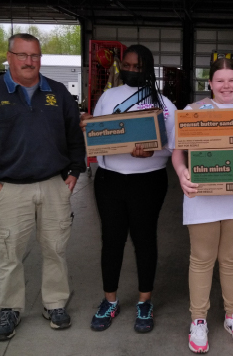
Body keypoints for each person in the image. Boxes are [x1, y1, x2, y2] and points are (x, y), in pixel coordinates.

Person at [0, 33, 86, 340]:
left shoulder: (57, 93)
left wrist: (75, 172)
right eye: (22, 55)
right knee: (9, 252)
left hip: (53, 185)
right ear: (9, 57)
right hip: (8, 188)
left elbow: (75, 136)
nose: (29, 62)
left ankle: (55, 303)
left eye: (34, 56)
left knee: (55, 248)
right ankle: (10, 308)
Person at [174, 58, 233, 353]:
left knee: (231, 258)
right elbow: (178, 152)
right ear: (210, 84)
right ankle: (199, 320)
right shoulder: (192, 112)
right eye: (220, 80)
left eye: (232, 80)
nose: (226, 86)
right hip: (201, 196)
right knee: (202, 258)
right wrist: (181, 174)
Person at [84, 44, 177, 333]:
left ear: (148, 68)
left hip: (148, 181)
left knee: (144, 239)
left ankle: (144, 301)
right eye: (127, 65)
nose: (132, 71)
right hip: (110, 180)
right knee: (111, 240)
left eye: (138, 67)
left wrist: (152, 152)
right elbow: (98, 133)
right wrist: (88, 127)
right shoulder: (108, 97)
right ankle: (109, 300)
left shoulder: (163, 104)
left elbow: (173, 146)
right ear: (121, 65)